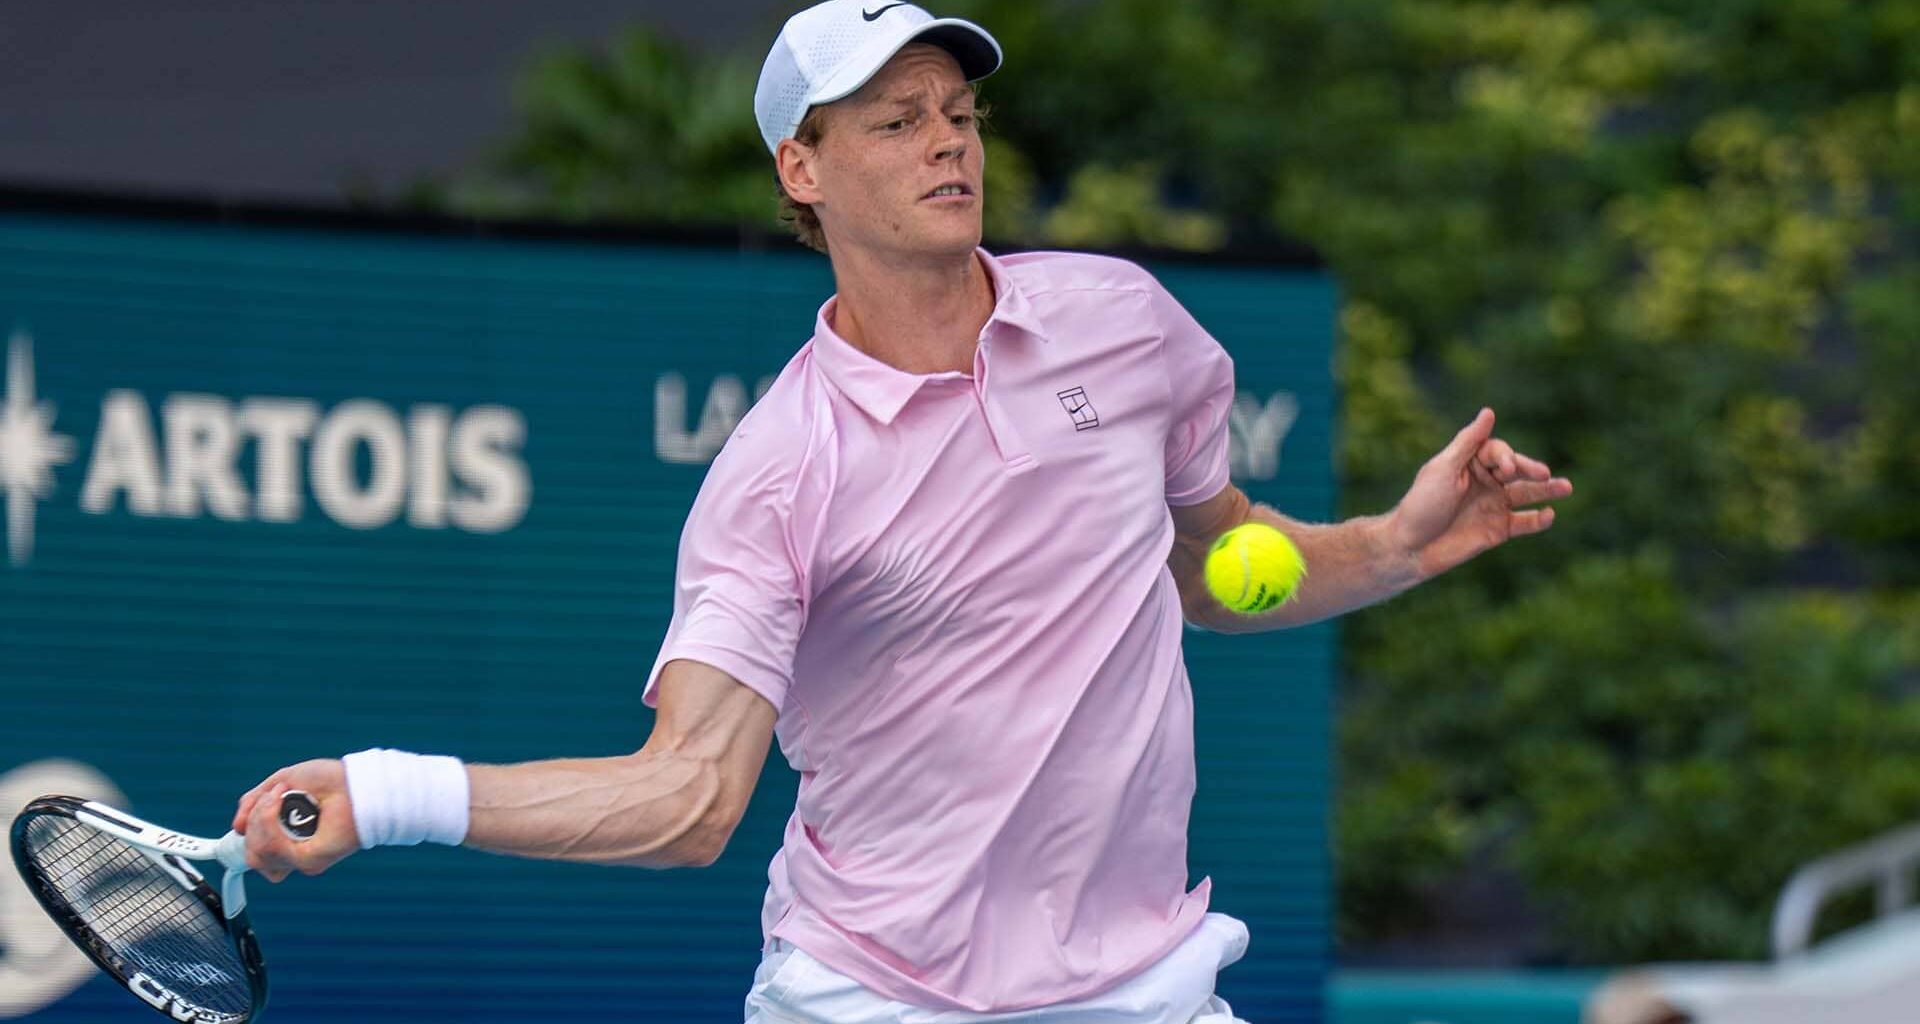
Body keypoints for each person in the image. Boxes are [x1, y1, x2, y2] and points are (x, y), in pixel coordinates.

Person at [231, 2, 1574, 1022]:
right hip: (878, 997)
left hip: (1144, 985)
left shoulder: (1122, 323)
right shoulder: (779, 472)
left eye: (958, 114)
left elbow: (1209, 559)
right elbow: (689, 797)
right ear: (802, 170)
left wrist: (1390, 547)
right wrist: (391, 794)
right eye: (892, 121)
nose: (946, 141)